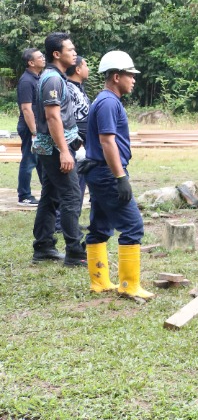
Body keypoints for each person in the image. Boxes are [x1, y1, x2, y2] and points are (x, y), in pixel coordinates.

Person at [83, 50, 153, 299]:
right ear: (115, 77)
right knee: (133, 226)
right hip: (107, 173)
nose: (133, 79)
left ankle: (99, 282)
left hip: (100, 172)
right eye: (129, 75)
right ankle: (129, 286)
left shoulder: (104, 101)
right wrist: (120, 177)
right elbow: (107, 142)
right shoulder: (109, 103)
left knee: (100, 227)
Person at [30, 31, 86, 267]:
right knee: (71, 196)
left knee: (50, 196)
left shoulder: (56, 77)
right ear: (57, 54)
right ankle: (75, 252)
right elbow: (53, 118)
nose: (74, 53)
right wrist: (64, 151)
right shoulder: (53, 79)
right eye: (70, 50)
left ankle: (43, 246)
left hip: (52, 148)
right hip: (54, 150)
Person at [16, 47, 45, 206]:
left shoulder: (37, 78)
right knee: (29, 160)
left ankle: (47, 191)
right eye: (39, 57)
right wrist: (34, 131)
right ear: (31, 62)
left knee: (41, 160)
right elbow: (26, 108)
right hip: (30, 127)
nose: (43, 58)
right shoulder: (26, 81)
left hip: (37, 127)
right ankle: (24, 196)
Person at [65, 55, 92, 201]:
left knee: (81, 180)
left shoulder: (79, 88)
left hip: (84, 141)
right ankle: (62, 223)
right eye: (85, 65)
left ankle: (72, 220)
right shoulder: (68, 89)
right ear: (78, 69)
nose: (88, 69)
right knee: (75, 183)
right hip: (76, 142)